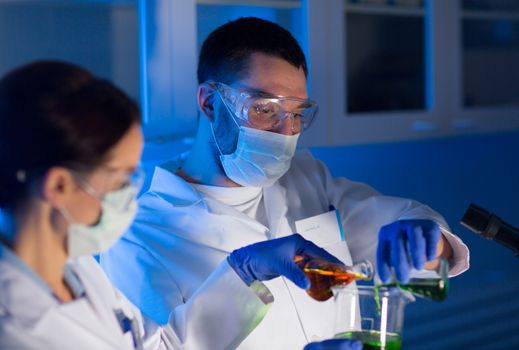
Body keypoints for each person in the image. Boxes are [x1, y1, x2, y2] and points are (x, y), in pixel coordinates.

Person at [100, 17, 470, 349]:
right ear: (210, 103)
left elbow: (406, 236)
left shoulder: (307, 178)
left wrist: (427, 239)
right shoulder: (137, 238)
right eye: (264, 109)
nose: (285, 132)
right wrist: (237, 277)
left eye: (296, 114)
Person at [0, 60, 361, 350]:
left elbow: (164, 347)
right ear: (59, 186)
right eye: (122, 179)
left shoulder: (75, 269)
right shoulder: (15, 328)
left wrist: (245, 270)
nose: (131, 193)